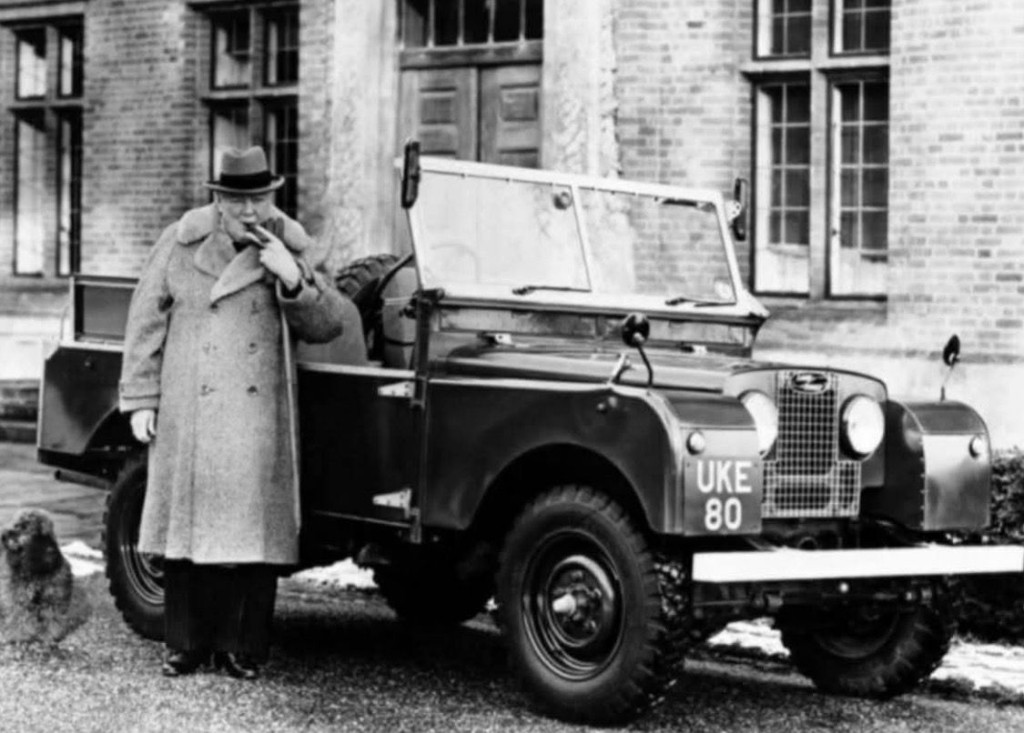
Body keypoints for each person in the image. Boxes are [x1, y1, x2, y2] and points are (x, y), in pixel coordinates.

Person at [118, 146, 346, 680]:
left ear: (272, 196)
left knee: (252, 537)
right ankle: (185, 645)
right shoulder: (180, 242)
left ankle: (243, 648)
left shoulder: (293, 245)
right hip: (189, 409)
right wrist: (140, 398)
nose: (251, 211)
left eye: (260, 199)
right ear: (218, 199)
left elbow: (332, 322)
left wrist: (292, 279)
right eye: (239, 200)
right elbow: (145, 320)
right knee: (185, 531)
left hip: (257, 412)